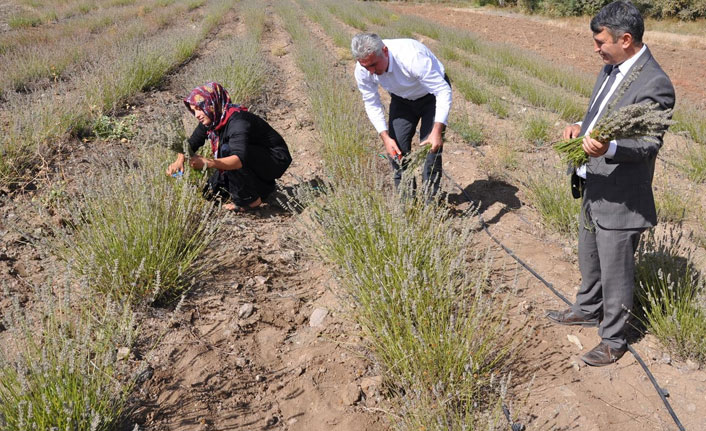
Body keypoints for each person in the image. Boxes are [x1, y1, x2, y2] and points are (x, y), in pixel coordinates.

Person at [546, 1, 675, 366]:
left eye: (601, 41)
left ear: (626, 39)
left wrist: (609, 147)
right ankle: (587, 308)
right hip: (594, 184)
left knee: (616, 270)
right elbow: (598, 116)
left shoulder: (656, 84)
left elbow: (648, 144)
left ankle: (614, 339)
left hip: (621, 196)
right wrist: (579, 129)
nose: (596, 47)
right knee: (590, 257)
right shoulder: (610, 68)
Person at [351, 33, 452, 197]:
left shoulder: (411, 57)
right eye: (365, 67)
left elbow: (442, 91)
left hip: (431, 96)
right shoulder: (364, 70)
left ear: (384, 51)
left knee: (430, 151)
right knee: (397, 152)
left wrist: (437, 130)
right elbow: (371, 102)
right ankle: (407, 206)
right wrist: (385, 137)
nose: (370, 71)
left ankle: (431, 206)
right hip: (402, 99)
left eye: (373, 65)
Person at [166, 82, 291, 211]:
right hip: (253, 157)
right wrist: (178, 161)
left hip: (274, 158)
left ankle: (250, 201)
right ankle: (263, 189)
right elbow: (190, 144)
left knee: (227, 150)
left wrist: (207, 163)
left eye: (199, 108)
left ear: (212, 104)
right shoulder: (212, 120)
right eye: (193, 110)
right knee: (210, 194)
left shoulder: (238, 122)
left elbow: (238, 159)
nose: (196, 115)